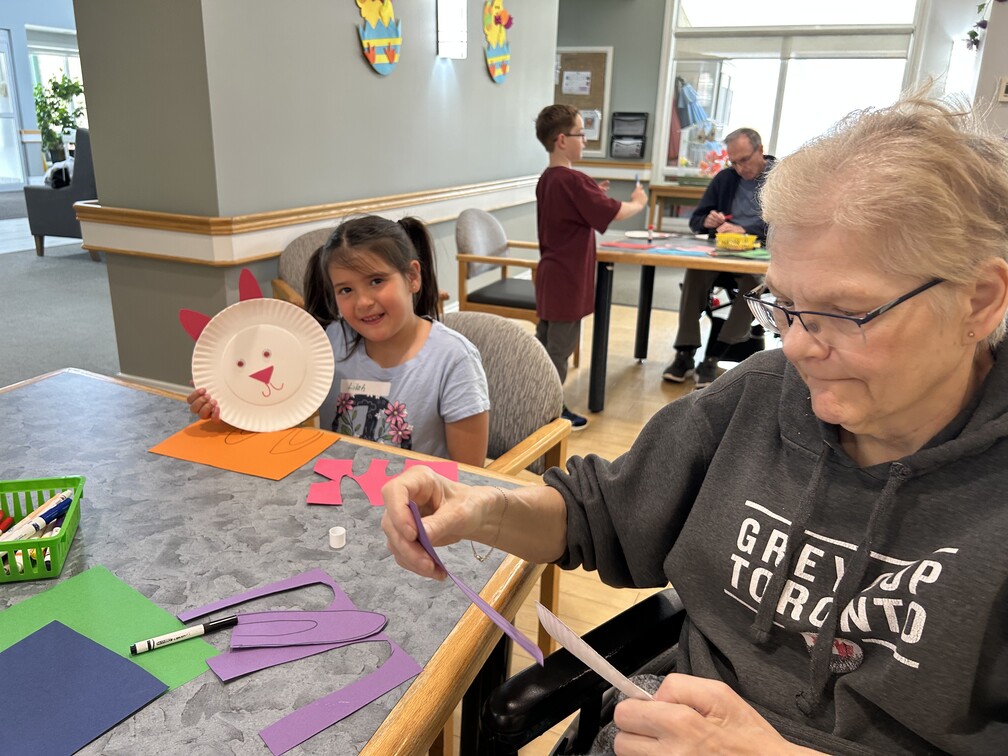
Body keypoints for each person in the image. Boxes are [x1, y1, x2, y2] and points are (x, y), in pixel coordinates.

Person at [381, 94, 1008, 754]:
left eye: (842, 313)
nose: (796, 346)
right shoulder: (763, 396)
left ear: (978, 300)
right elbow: (596, 512)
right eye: (784, 306)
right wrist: (481, 507)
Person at [188, 215, 491, 467]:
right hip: (334, 497)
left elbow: (469, 476)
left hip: (414, 509)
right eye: (346, 290)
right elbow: (273, 416)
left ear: (412, 277)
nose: (363, 302)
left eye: (376, 281)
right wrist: (228, 407)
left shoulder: (454, 359)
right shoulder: (328, 343)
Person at [534, 104, 648, 429]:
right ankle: (550, 412)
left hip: (551, 277)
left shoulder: (549, 178)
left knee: (545, 344)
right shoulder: (572, 180)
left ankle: (537, 401)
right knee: (558, 350)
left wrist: (593, 195)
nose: (585, 140)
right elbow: (617, 212)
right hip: (567, 280)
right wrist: (638, 202)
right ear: (561, 140)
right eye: (580, 133)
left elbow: (574, 210)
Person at [663, 127, 775, 388]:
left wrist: (745, 229)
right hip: (723, 251)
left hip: (760, 256)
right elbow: (696, 221)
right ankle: (685, 351)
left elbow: (787, 224)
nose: (740, 168)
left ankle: (714, 356)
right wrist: (708, 220)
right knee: (695, 271)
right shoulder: (725, 178)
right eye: (733, 162)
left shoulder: (780, 179)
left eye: (744, 160)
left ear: (760, 150)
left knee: (753, 284)